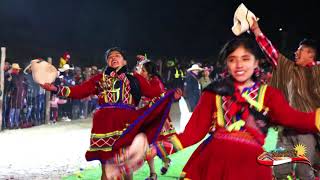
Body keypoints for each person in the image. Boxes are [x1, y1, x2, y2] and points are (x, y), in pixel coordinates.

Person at [167, 36, 320, 180]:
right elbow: (194, 130)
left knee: (301, 169)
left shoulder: (268, 95)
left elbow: (292, 117)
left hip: (250, 166)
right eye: (233, 59)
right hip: (215, 161)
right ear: (227, 63)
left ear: (256, 63)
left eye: (245, 59)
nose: (239, 65)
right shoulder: (214, 92)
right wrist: (162, 147)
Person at [41, 47, 180, 180]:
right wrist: (55, 88)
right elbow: (80, 90)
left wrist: (171, 96)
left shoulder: (134, 79)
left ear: (124, 61)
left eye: (117, 56)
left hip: (127, 124)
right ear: (107, 61)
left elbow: (154, 92)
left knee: (126, 165)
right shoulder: (99, 78)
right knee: (106, 166)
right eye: (110, 57)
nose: (113, 58)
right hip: (105, 125)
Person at [251, 18, 320, 179]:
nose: (296, 52)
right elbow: (271, 52)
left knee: (304, 172)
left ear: (310, 54)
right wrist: (256, 30)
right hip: (285, 134)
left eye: (300, 50)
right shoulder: (289, 69)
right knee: (279, 169)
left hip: (306, 135)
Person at [135, 61, 177, 180]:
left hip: (156, 118)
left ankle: (162, 163)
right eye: (141, 70)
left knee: (152, 144)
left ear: (149, 72)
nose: (141, 72)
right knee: (148, 146)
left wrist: (136, 74)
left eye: (143, 70)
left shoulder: (156, 82)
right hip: (146, 117)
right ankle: (155, 171)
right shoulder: (146, 81)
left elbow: (149, 92)